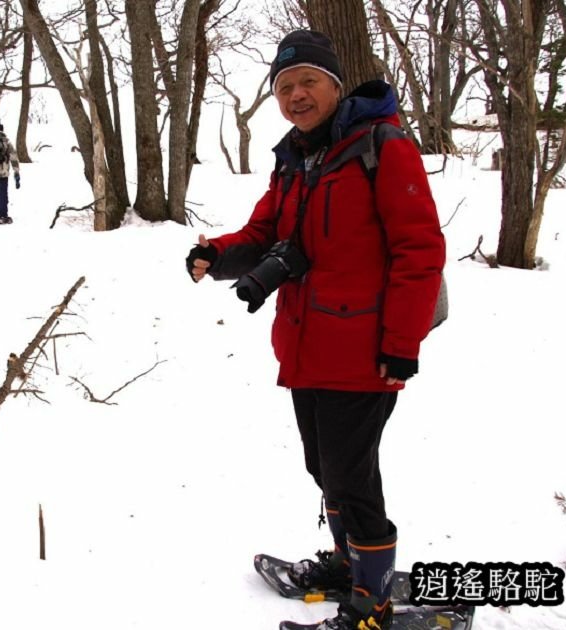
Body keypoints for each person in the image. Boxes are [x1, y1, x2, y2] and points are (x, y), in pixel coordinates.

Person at [186, 30, 445, 630]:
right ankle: (344, 562)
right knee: (323, 467)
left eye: (307, 82)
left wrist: (401, 345)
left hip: (366, 351)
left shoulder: (382, 146)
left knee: (352, 480)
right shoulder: (296, 158)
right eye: (284, 87)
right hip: (306, 345)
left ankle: (371, 604)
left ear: (334, 84)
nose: (296, 95)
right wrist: (215, 256)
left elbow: (420, 249)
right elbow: (264, 231)